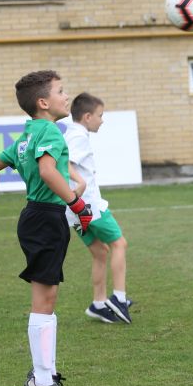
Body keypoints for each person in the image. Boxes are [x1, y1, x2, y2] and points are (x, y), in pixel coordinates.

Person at [0, 70, 94, 386]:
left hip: (37, 218)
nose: (66, 96)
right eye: (60, 91)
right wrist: (78, 204)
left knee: (47, 298)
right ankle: (40, 381)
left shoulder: (28, 134)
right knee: (44, 300)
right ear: (43, 102)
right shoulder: (50, 131)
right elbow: (49, 171)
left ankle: (46, 374)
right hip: (45, 219)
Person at [65, 93, 132, 325]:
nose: (102, 121)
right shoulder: (78, 137)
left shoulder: (71, 134)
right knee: (119, 244)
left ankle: (99, 303)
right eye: (100, 116)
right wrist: (79, 182)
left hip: (74, 210)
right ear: (87, 117)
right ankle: (119, 299)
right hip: (88, 206)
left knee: (100, 252)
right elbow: (64, 163)